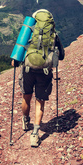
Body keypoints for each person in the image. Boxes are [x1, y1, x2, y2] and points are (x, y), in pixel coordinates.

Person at [12, 10, 65, 147]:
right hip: (45, 71)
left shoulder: (29, 32)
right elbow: (61, 56)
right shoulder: (54, 35)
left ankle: (25, 120)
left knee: (26, 97)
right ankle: (35, 134)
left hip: (28, 69)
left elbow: (19, 49)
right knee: (40, 101)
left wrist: (16, 61)